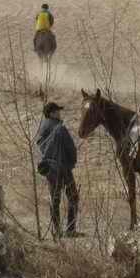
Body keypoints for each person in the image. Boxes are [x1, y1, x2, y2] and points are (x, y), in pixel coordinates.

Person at [36, 101, 80, 238]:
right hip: (63, 167)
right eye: (57, 111)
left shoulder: (41, 128)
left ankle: (56, 231)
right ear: (52, 113)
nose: (59, 113)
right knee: (73, 197)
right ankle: (71, 230)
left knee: (54, 199)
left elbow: (39, 147)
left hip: (49, 168)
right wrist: (72, 163)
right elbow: (71, 149)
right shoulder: (60, 128)